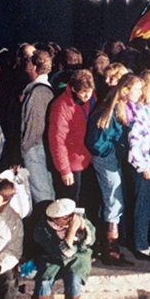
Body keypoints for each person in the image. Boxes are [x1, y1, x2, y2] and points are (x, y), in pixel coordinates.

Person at [27, 198, 96, 299]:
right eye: (64, 220)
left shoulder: (80, 219)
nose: (69, 221)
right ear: (54, 219)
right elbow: (61, 254)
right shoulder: (42, 229)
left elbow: (91, 241)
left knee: (74, 281)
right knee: (44, 282)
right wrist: (70, 233)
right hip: (52, 257)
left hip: (77, 258)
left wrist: (83, 231)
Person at [86, 74, 139, 266]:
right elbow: (96, 142)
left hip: (112, 158)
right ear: (125, 90)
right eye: (137, 89)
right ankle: (111, 248)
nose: (140, 93)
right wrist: (117, 150)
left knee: (111, 199)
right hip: (106, 158)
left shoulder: (123, 108)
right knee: (113, 199)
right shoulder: (111, 110)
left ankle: (104, 243)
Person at [127, 70, 150, 258]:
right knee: (143, 205)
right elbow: (136, 140)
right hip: (146, 165)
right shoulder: (142, 110)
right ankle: (140, 244)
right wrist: (143, 166)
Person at [47, 70, 96, 203]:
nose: (87, 95)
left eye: (90, 91)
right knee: (70, 203)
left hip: (86, 159)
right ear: (74, 89)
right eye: (83, 92)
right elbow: (57, 140)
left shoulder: (91, 98)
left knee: (87, 202)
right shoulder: (61, 106)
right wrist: (64, 170)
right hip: (71, 164)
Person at [19, 49, 56, 205]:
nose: (25, 63)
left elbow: (34, 125)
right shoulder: (40, 89)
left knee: (41, 193)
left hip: (34, 149)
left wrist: (22, 149)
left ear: (34, 66)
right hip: (38, 148)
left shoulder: (39, 92)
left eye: (28, 60)